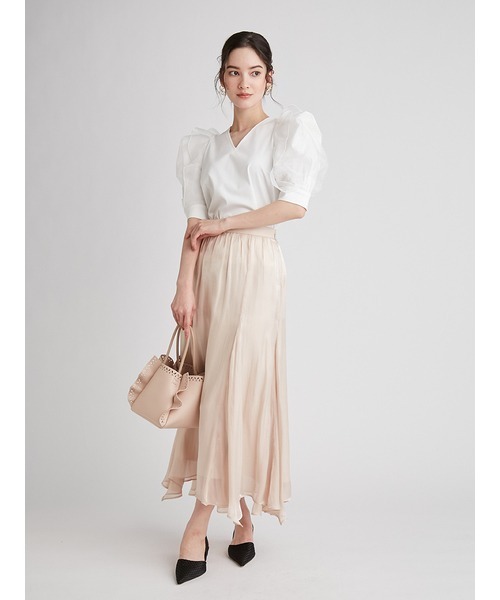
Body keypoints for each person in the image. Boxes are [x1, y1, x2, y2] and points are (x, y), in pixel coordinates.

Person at [162, 31, 328, 584]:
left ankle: (199, 523)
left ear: (269, 78)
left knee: (239, 389)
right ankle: (243, 517)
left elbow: (293, 206)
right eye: (234, 72)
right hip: (210, 273)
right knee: (214, 388)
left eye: (254, 72)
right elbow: (194, 224)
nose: (244, 82)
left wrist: (226, 224)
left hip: (256, 268)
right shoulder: (203, 148)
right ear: (222, 78)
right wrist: (184, 286)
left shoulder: (286, 133)